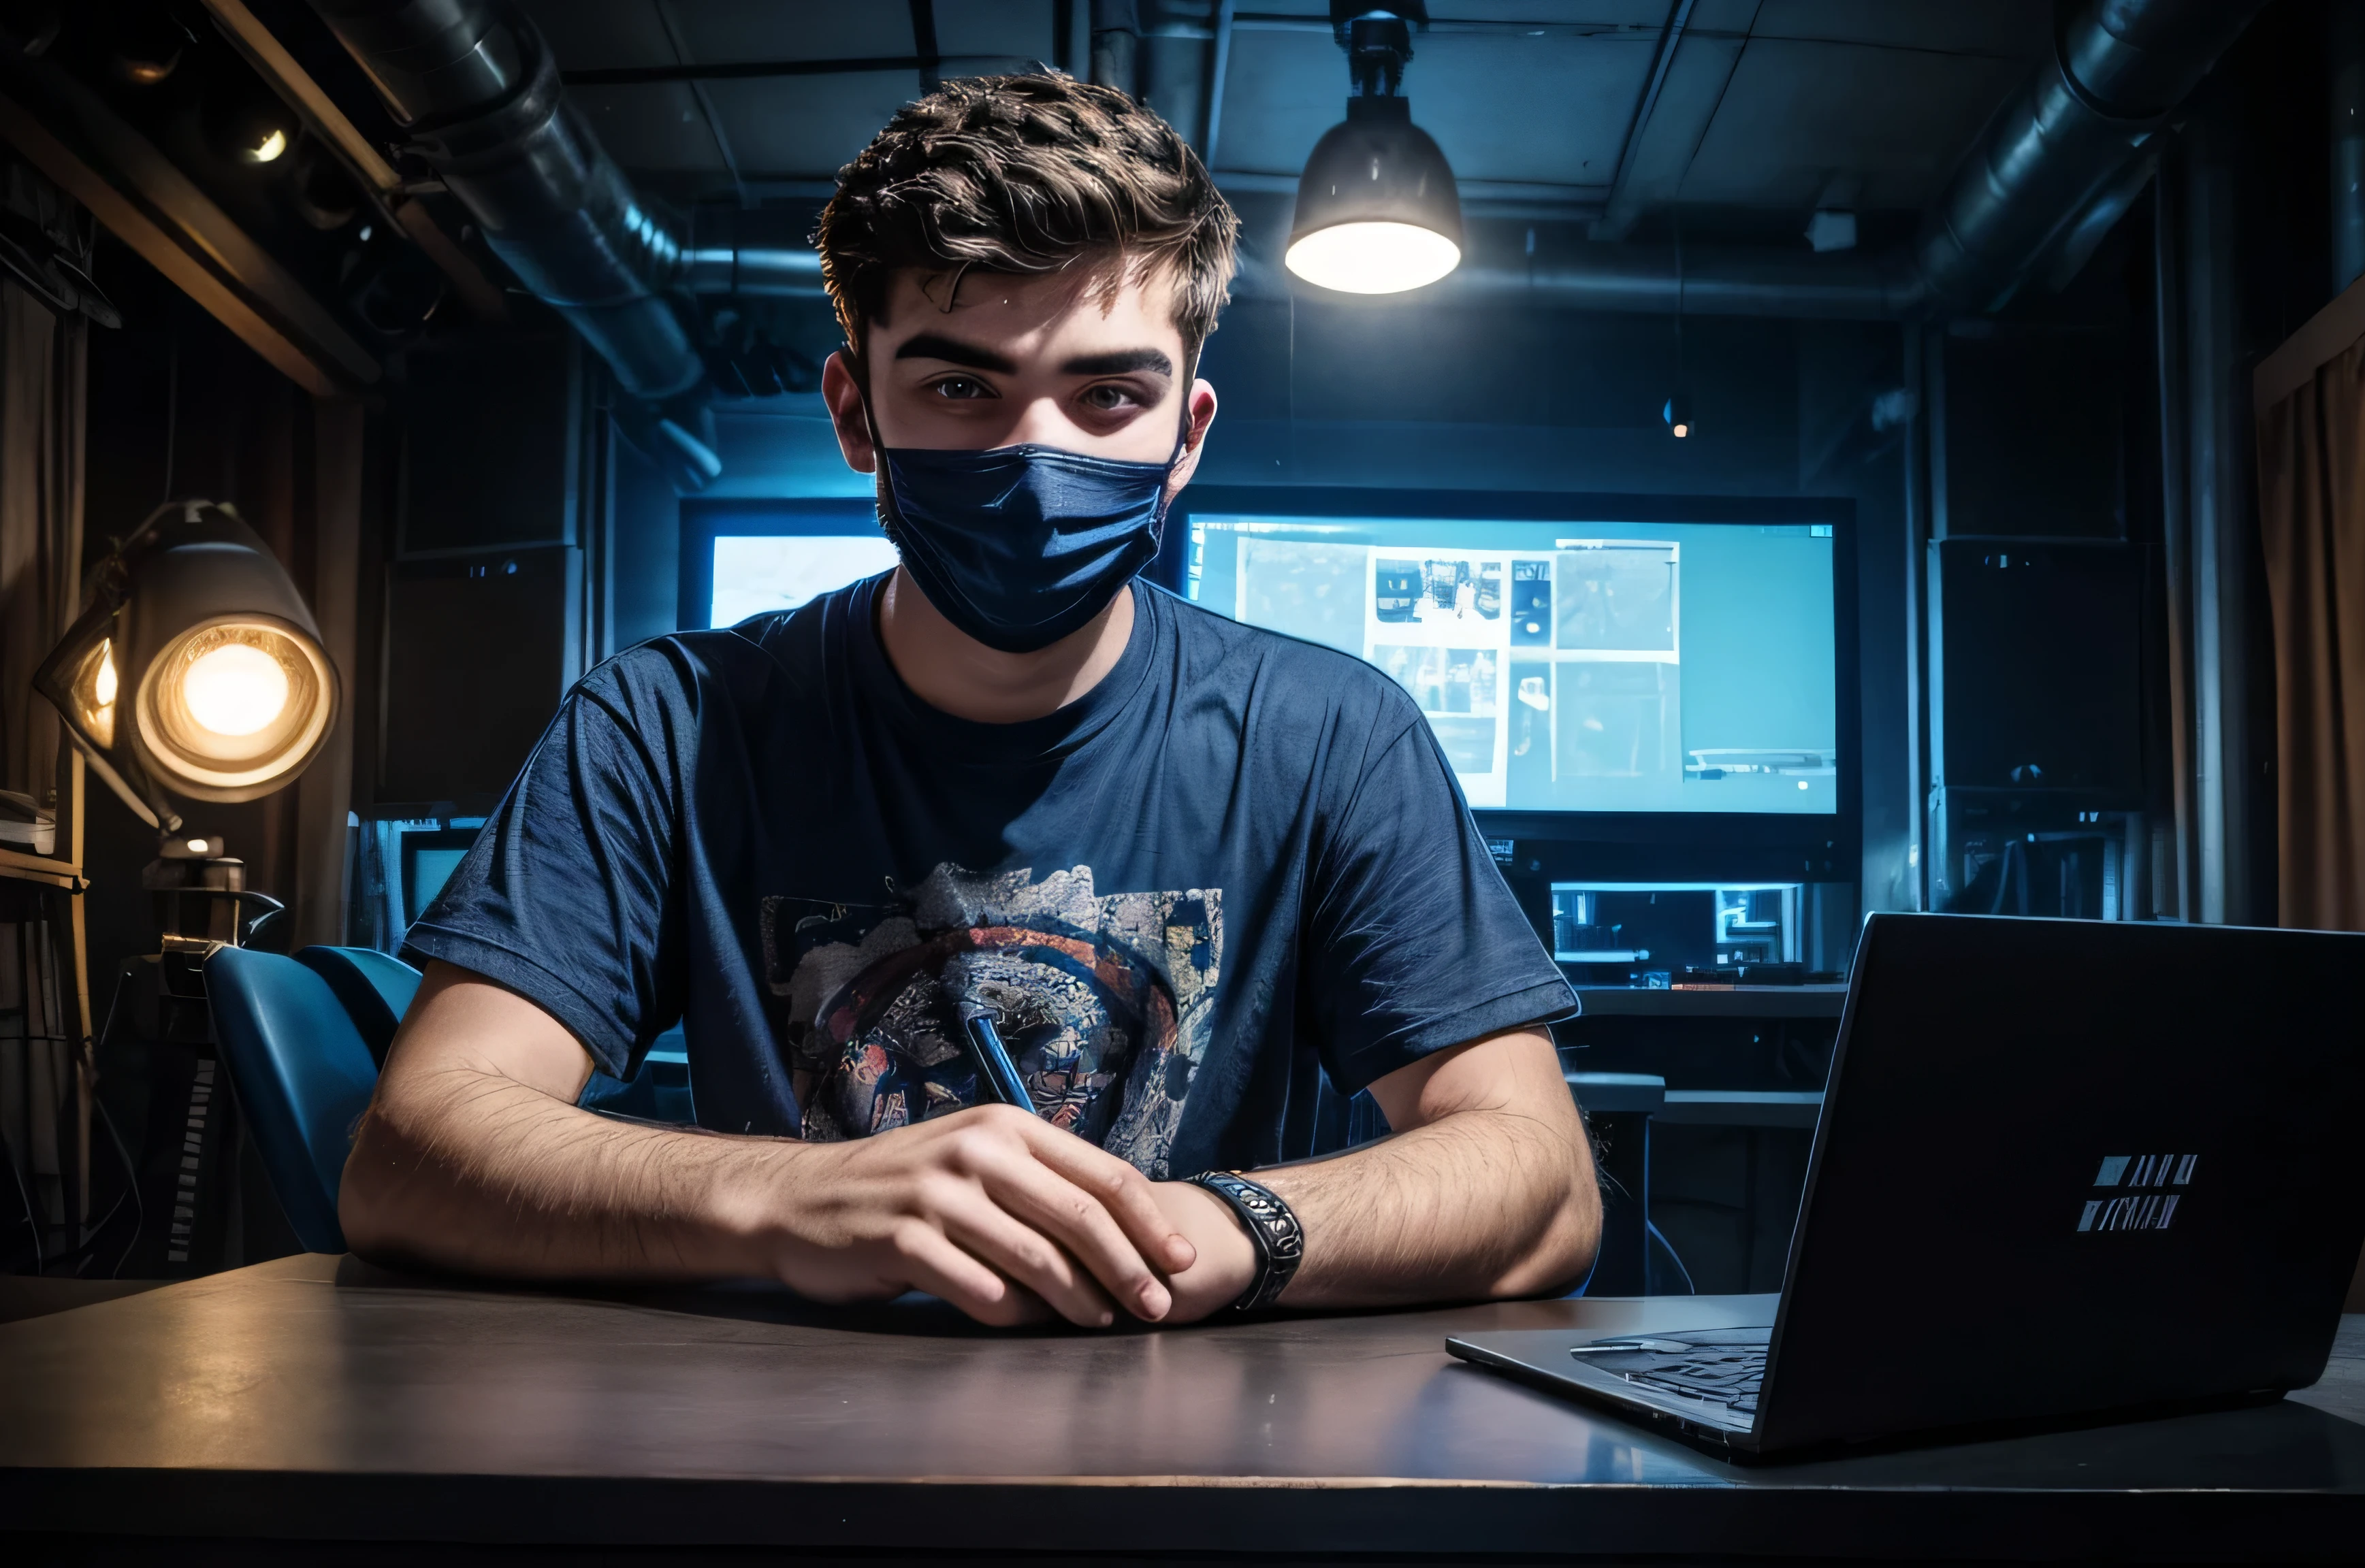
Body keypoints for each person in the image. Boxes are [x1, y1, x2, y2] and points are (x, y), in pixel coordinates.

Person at [337, 74, 1600, 1328]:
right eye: (959, 390)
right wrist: (796, 1203)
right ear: (854, 411)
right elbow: (416, 1152)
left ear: (1188, 434)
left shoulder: (1329, 736)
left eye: (1107, 396)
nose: (1034, 463)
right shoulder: (666, 728)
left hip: (1201, 1481)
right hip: (769, 1468)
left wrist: (1229, 1228)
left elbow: (1539, 1180)